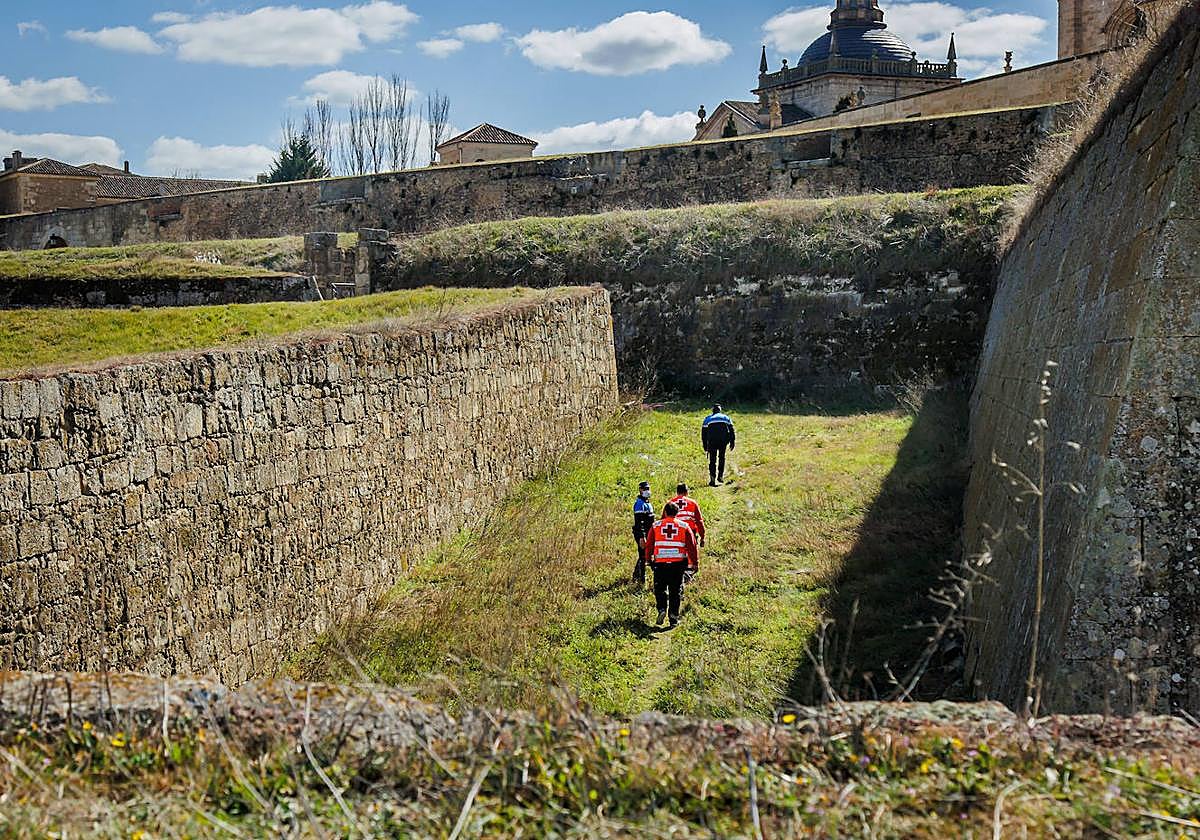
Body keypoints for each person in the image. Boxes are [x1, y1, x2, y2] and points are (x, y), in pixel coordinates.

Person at [645, 502, 699, 627]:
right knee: (676, 590)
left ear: (665, 512)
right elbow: (692, 546)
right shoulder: (684, 526)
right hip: (678, 564)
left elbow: (649, 544)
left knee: (660, 588)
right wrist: (695, 563)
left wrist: (648, 559)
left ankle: (662, 609)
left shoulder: (655, 525)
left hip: (660, 563)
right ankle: (673, 617)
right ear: (677, 513)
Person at [702, 404, 736, 486]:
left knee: (712, 460)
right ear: (720, 410)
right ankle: (720, 476)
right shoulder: (726, 418)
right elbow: (731, 430)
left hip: (712, 442)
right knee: (722, 457)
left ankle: (712, 478)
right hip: (723, 441)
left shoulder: (707, 419)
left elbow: (704, 434)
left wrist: (705, 445)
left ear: (713, 411)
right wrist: (732, 441)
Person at [631, 480, 655, 586]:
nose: (647, 491)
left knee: (644, 554)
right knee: (642, 555)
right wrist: (642, 537)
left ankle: (637, 575)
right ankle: (641, 579)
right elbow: (639, 522)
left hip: (648, 533)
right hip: (642, 534)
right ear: (640, 490)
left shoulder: (647, 503)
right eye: (645, 489)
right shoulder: (639, 504)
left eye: (648, 489)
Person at [668, 483, 706, 548]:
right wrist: (702, 537)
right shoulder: (693, 503)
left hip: (675, 533)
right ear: (686, 492)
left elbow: (663, 520)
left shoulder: (670, 503)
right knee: (691, 554)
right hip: (690, 532)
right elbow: (699, 522)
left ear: (677, 492)